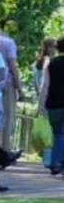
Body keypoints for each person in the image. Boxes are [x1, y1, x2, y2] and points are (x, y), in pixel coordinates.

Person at [36, 36, 64, 176]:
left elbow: (45, 85)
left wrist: (41, 104)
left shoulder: (51, 63)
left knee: (57, 134)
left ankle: (55, 163)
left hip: (53, 103)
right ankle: (60, 163)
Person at [0, 20, 22, 150]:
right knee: (8, 116)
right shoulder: (9, 42)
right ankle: (5, 149)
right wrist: (19, 87)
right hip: (7, 82)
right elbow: (12, 65)